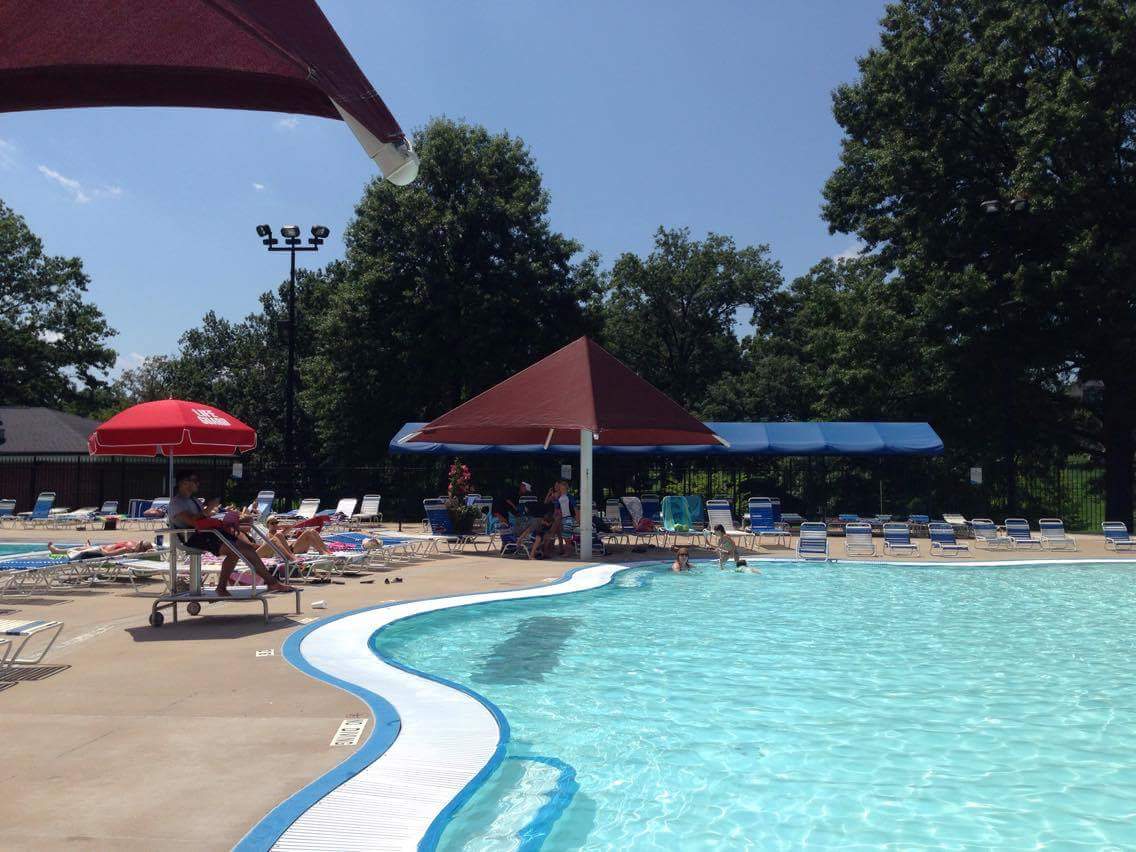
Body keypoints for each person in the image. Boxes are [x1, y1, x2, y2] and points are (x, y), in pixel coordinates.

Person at [169, 469, 293, 596]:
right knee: (241, 549)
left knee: (244, 548)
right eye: (195, 481)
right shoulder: (176, 503)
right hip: (193, 538)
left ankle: (223, 587)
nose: (198, 484)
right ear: (184, 483)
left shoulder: (193, 500)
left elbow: (202, 520)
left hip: (207, 533)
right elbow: (192, 521)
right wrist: (209, 509)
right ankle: (270, 582)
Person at [258, 515, 332, 562]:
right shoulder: (269, 535)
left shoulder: (279, 532)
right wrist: (279, 528)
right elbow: (274, 544)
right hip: (291, 551)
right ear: (267, 524)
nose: (275, 525)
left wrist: (280, 525)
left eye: (276, 522)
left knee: (313, 531)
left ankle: (326, 550)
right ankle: (322, 552)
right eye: (272, 523)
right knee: (308, 533)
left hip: (293, 548)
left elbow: (291, 527)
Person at [48, 540, 153, 560]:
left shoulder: (127, 549)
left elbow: (107, 554)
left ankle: (56, 551)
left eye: (139, 544)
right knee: (85, 547)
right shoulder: (133, 547)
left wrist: (100, 548)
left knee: (79, 549)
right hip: (103, 547)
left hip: (101, 552)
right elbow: (152, 547)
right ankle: (88, 546)